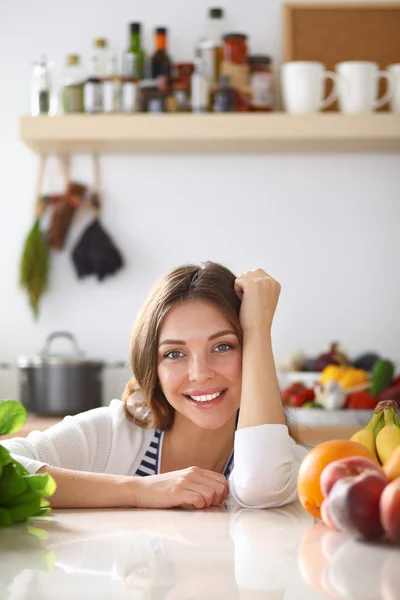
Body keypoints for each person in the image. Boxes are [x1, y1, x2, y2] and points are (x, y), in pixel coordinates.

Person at [1, 262, 307, 510]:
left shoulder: (286, 460)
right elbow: (6, 468)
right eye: (174, 353)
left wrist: (257, 326)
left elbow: (261, 486)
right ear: (153, 366)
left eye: (223, 347)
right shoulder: (113, 433)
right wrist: (141, 491)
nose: (200, 374)